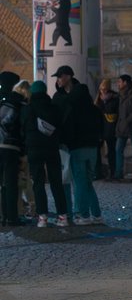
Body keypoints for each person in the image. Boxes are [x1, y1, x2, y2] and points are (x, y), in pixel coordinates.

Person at [52, 64, 103, 225]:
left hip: (76, 146)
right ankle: (96, 215)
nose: (58, 80)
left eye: (60, 76)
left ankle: (83, 215)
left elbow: (66, 123)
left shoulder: (69, 103)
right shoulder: (88, 102)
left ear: (68, 77)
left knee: (79, 181)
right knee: (86, 182)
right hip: (92, 146)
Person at [22, 80, 69, 228]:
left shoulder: (28, 109)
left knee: (38, 182)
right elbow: (61, 127)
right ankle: (63, 216)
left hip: (34, 149)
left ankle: (42, 217)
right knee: (56, 182)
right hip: (51, 148)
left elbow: (23, 128)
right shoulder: (54, 108)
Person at [0, 70, 25, 227]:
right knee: (11, 183)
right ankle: (12, 218)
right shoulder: (17, 101)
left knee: (2, 184)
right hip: (11, 146)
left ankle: (3, 216)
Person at [13, 79, 34, 221]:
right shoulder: (28, 107)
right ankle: (33, 207)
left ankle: (20, 210)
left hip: (16, 148)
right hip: (27, 148)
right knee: (26, 181)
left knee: (19, 181)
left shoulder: (15, 106)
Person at [95, 78, 119, 179]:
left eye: (105, 89)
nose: (103, 91)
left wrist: (106, 102)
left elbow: (113, 112)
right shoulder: (98, 99)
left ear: (108, 89)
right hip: (100, 128)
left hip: (110, 128)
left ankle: (113, 172)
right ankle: (98, 172)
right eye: (101, 89)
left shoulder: (114, 98)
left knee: (111, 151)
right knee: (97, 150)